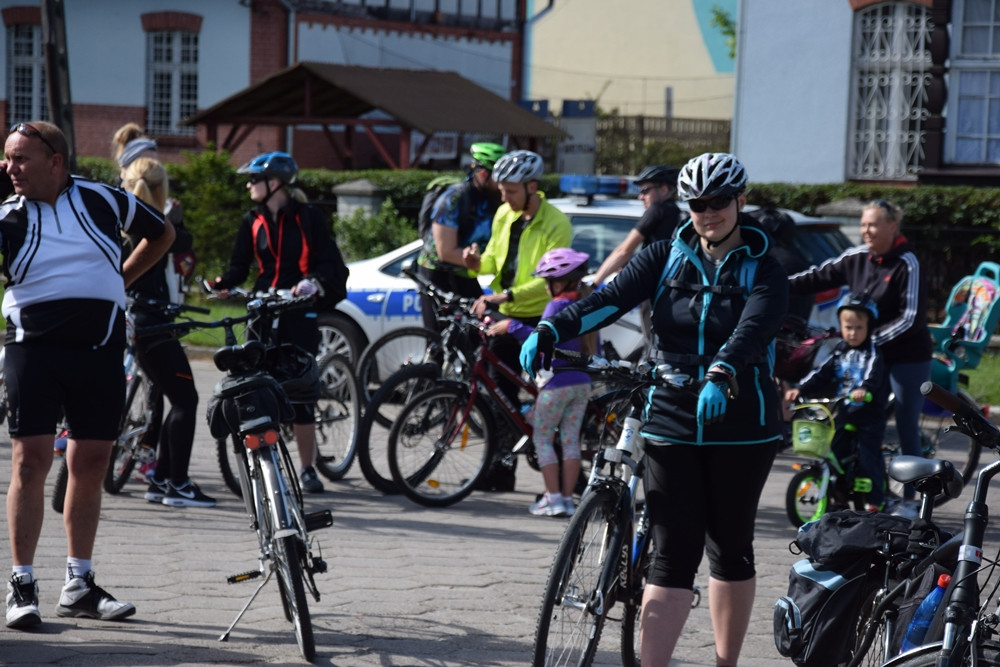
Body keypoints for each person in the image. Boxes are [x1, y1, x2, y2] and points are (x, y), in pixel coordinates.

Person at [520, 152, 788, 664]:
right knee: (672, 552)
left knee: (729, 547)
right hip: (670, 412)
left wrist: (722, 371)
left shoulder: (767, 268)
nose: (707, 213)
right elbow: (609, 298)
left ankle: (725, 662)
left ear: (740, 201)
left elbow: (755, 327)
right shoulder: (664, 255)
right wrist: (554, 327)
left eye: (718, 203)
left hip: (741, 421)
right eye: (696, 204)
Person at [2, 121, 175, 628]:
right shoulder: (7, 214)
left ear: (56, 161)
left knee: (92, 461)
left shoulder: (104, 199)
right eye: (7, 158)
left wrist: (118, 279)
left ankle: (78, 583)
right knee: (30, 464)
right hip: (32, 350)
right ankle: (22, 583)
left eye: (20, 159)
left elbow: (162, 232)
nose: (10, 168)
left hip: (99, 350)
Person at [212, 151, 348, 494]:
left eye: (254, 180)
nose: (249, 185)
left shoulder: (309, 217)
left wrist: (312, 281)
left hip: (298, 308)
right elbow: (240, 266)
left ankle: (306, 469)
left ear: (275, 184)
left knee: (300, 386)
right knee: (252, 382)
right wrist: (222, 283)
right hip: (263, 306)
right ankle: (260, 464)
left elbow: (331, 262)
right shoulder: (251, 220)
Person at [788, 199, 931, 512]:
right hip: (866, 354)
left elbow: (912, 318)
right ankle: (849, 485)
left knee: (906, 425)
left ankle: (913, 501)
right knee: (850, 415)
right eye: (864, 224)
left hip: (906, 356)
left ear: (893, 227)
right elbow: (817, 276)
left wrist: (871, 341)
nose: (866, 231)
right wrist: (776, 287)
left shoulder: (907, 262)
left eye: (874, 225)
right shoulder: (856, 258)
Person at [462, 150, 572, 491]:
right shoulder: (503, 215)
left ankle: (570, 472)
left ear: (532, 187)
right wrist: (475, 262)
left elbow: (553, 279)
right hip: (507, 315)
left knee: (552, 397)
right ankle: (501, 469)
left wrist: (506, 296)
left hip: (543, 317)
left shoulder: (557, 223)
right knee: (500, 397)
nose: (504, 197)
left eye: (510, 190)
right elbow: (494, 262)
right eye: (502, 189)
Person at [121, 156, 214, 508]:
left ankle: (160, 477)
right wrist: (172, 214)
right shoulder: (158, 225)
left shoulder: (121, 223)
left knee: (166, 393)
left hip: (134, 320)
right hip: (153, 322)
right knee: (186, 400)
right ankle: (178, 483)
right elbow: (185, 240)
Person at [487, 248, 597, 517]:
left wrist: (511, 326)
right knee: (571, 441)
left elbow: (542, 340)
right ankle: (569, 502)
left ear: (557, 283)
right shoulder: (587, 304)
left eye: (546, 282)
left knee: (543, 439)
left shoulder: (557, 306)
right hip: (582, 383)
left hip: (556, 383)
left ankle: (553, 498)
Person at [785, 292, 888, 509]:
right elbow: (822, 373)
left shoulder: (873, 352)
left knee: (870, 459)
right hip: (845, 412)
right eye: (848, 327)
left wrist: (864, 389)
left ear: (869, 327)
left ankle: (875, 501)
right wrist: (800, 389)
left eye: (859, 328)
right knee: (836, 455)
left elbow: (873, 375)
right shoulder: (840, 351)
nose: (853, 333)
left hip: (869, 416)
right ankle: (840, 497)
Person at [415, 142, 505, 330]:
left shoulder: (496, 199)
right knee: (440, 339)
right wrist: (486, 264)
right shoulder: (454, 198)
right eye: (500, 177)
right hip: (436, 272)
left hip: (465, 272)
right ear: (483, 174)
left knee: (479, 334)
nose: (504, 183)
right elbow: (445, 252)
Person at [591, 164, 681, 286]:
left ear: (664, 190)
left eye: (645, 191)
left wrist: (594, 284)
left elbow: (623, 250)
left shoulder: (657, 209)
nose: (640, 197)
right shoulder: (678, 213)